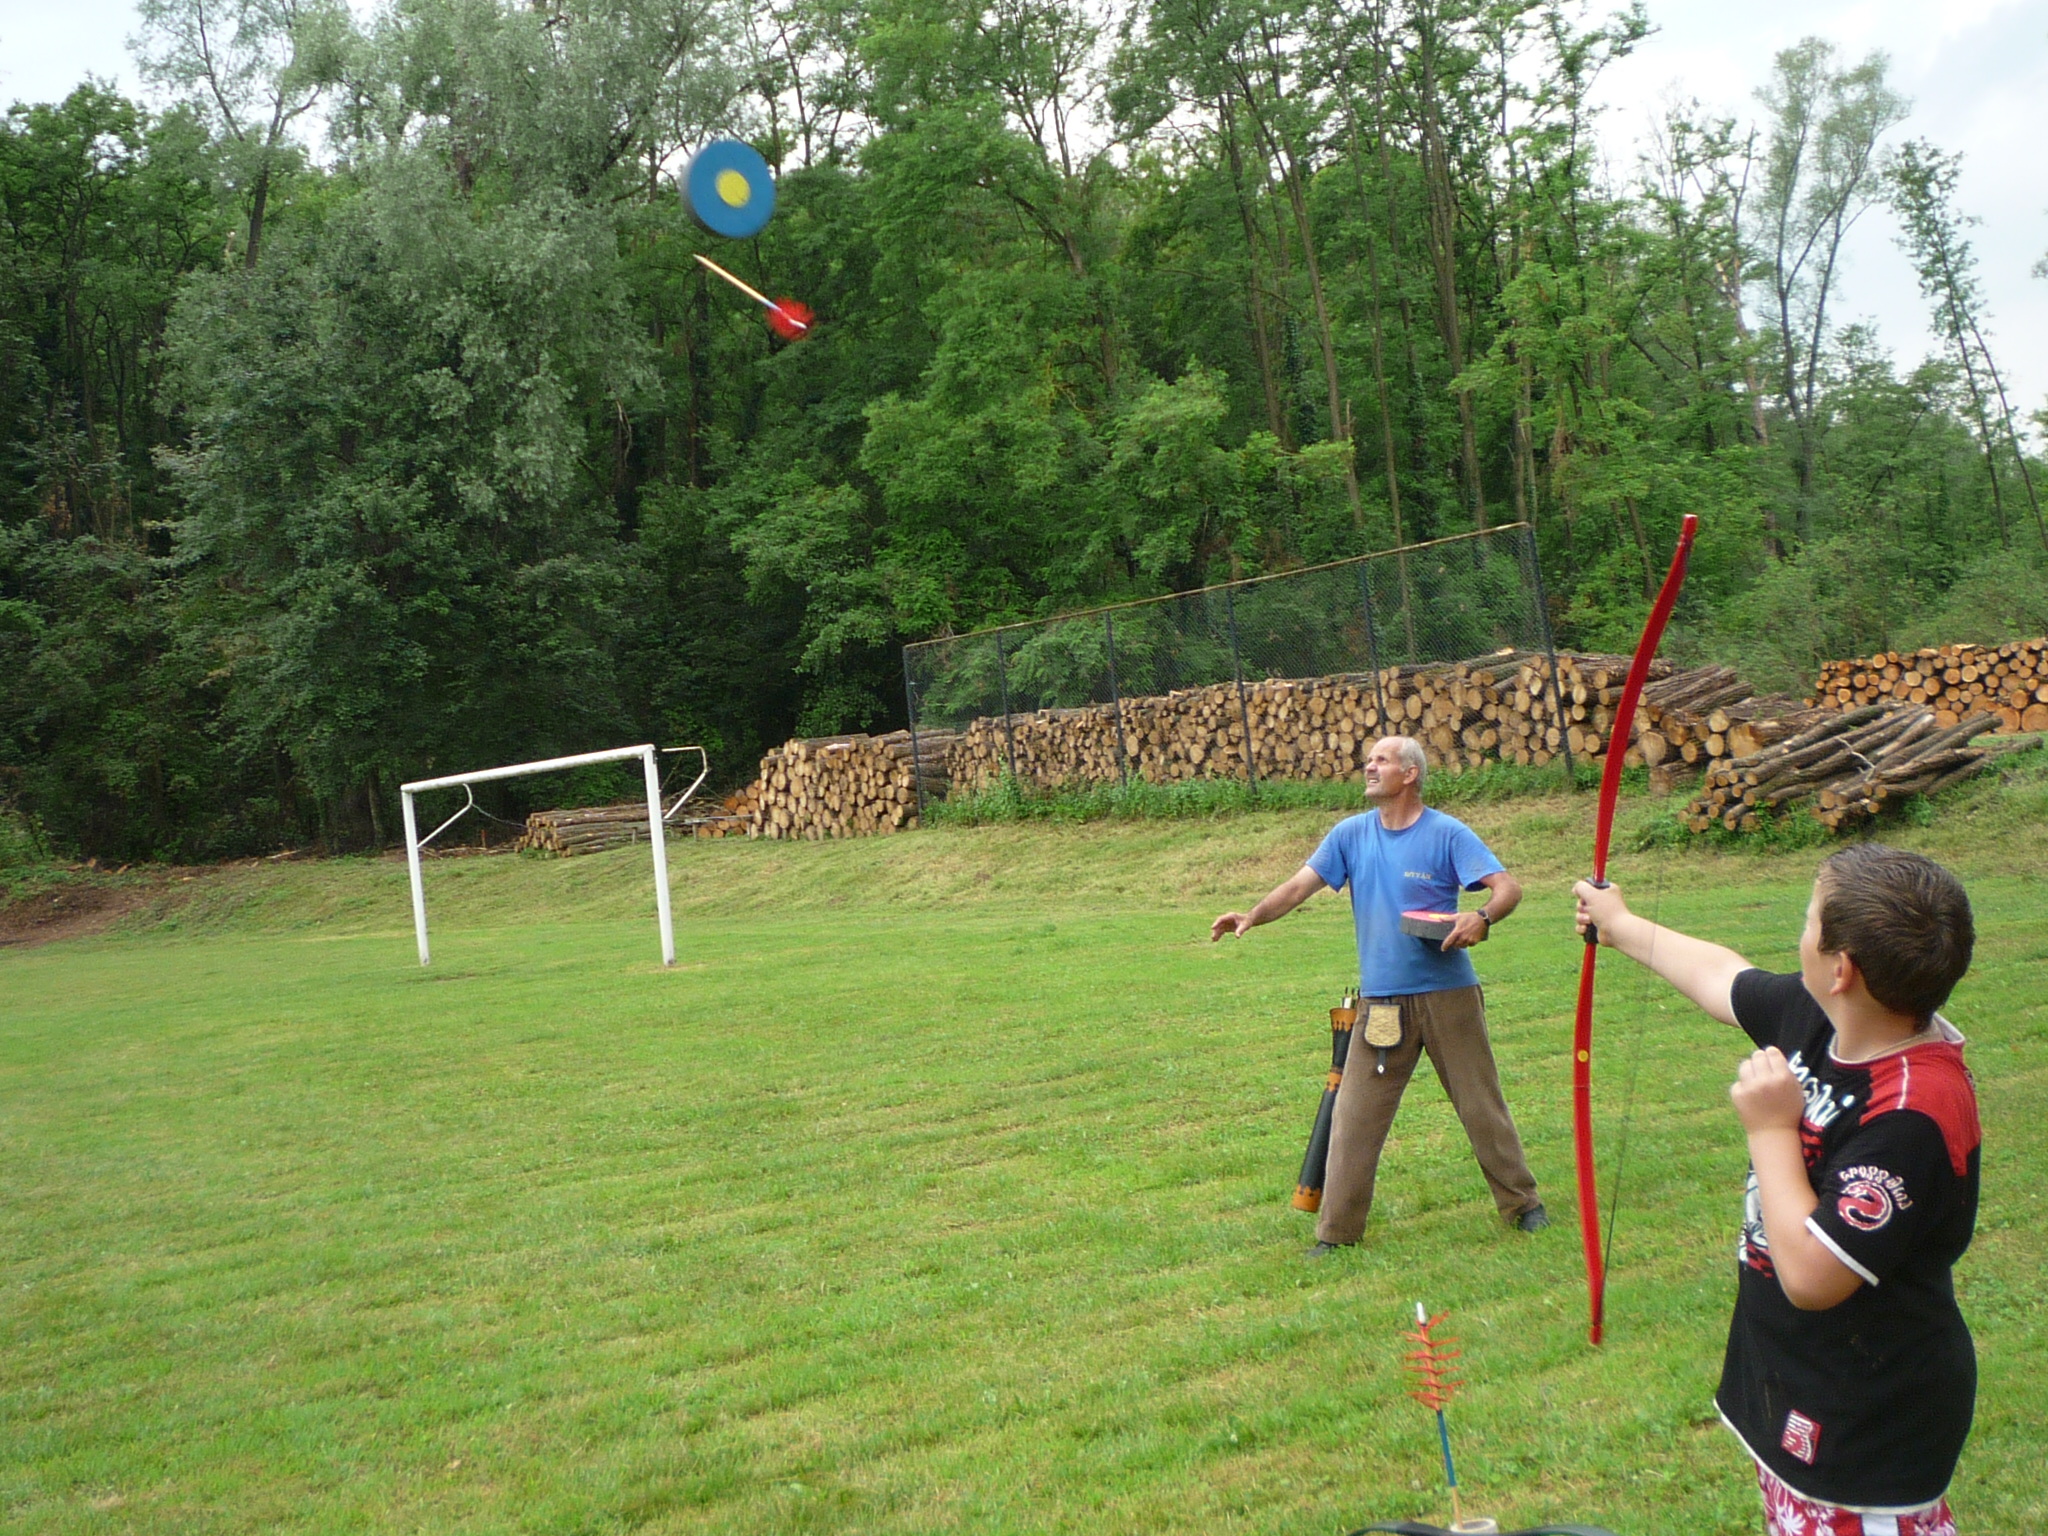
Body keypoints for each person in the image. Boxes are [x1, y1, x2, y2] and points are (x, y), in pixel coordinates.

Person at [1574, 843, 1979, 1536]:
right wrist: (1621, 924)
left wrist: (1770, 1129)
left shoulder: (1915, 1110)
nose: (1801, 933)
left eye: (1808, 919)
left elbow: (1812, 1276)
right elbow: (1724, 978)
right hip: (1803, 1376)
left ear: (1841, 968)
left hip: (1866, 1416)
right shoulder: (1825, 1018)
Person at [1211, 735, 1544, 1251]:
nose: (1369, 767)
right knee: (1354, 1119)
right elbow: (1298, 887)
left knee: (1481, 1107)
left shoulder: (1447, 833)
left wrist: (1480, 917)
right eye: (1368, 760)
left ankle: (1524, 1206)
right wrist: (1251, 915)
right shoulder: (1349, 835)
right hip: (1381, 1003)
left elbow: (1508, 889)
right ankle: (1336, 1236)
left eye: (1381, 760)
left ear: (1409, 774)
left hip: (1449, 995)